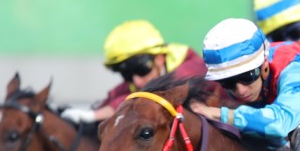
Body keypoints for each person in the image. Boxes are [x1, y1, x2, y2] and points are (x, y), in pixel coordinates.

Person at [187, 18, 300, 151]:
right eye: (228, 82)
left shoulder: (295, 69)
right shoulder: (253, 78)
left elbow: (280, 125)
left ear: (264, 64)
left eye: (247, 77)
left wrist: (218, 114)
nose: (240, 90)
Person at [60, 20, 205, 127]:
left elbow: (152, 97)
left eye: (141, 70)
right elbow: (118, 94)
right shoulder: (147, 76)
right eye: (126, 74)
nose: (136, 82)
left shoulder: (190, 69)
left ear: (160, 59)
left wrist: (93, 116)